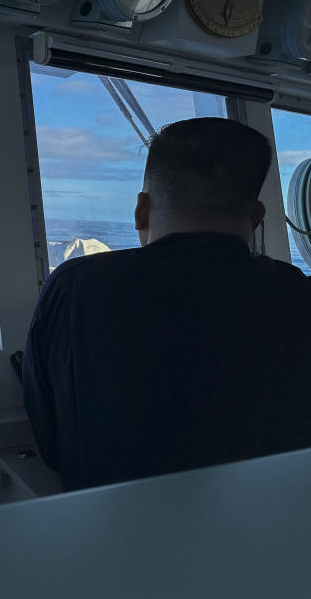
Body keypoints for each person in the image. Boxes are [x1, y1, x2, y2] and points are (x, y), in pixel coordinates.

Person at [22, 117, 311, 491]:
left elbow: (51, 440)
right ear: (257, 218)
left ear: (142, 210)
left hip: (118, 535)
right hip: (278, 531)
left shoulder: (75, 287)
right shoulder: (296, 294)